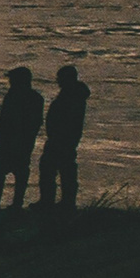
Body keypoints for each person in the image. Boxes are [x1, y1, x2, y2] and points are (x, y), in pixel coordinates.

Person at [0, 65, 44, 214]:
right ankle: (12, 204)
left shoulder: (15, 96)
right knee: (17, 172)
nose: (10, 81)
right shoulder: (35, 98)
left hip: (13, 141)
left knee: (4, 171)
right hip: (21, 142)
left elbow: (5, 119)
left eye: (12, 78)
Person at [38, 64, 89, 210]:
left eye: (60, 78)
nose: (58, 81)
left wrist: (57, 135)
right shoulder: (72, 94)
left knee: (55, 170)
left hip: (62, 139)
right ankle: (59, 201)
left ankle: (53, 202)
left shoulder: (71, 96)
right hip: (62, 139)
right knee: (61, 170)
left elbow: (67, 120)